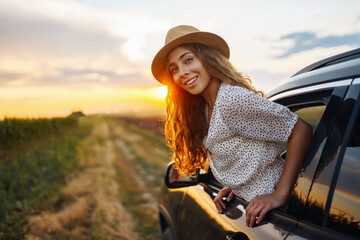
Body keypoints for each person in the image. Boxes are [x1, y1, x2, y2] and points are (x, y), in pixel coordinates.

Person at [151, 25, 313, 228]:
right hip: (254, 208)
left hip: (278, 214)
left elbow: (301, 130)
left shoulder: (230, 99)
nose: (182, 72)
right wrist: (237, 186)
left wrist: (278, 195)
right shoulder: (207, 108)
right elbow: (246, 147)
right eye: (174, 69)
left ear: (207, 58)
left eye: (188, 59)